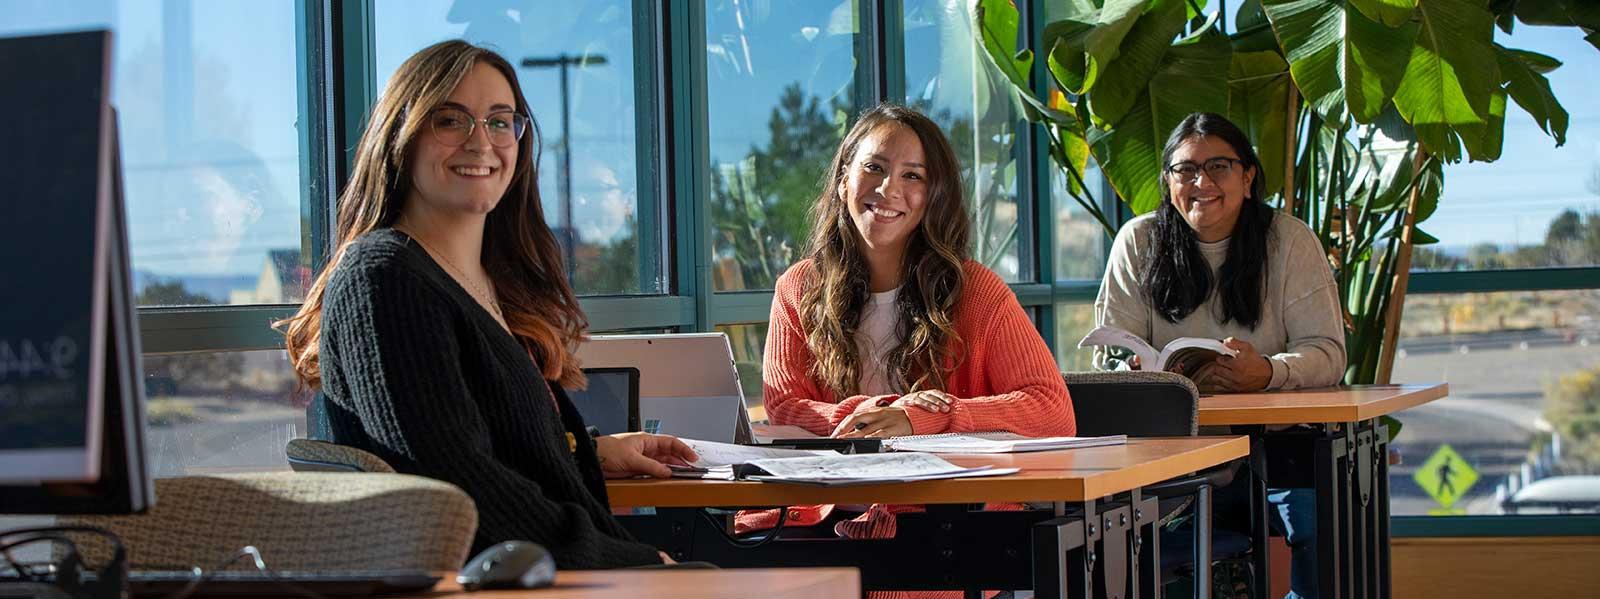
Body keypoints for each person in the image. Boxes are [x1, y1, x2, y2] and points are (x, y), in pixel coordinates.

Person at [278, 40, 696, 570]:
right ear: (401, 137)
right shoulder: (385, 279)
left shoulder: (484, 280)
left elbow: (476, 431)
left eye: (501, 122)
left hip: (546, 565)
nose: (482, 142)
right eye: (451, 120)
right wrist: (630, 562)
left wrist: (584, 449)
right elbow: (456, 483)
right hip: (514, 576)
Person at [749, 104, 1076, 580]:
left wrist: (923, 418)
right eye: (874, 168)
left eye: (913, 176)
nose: (888, 190)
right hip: (822, 521)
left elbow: (1052, 409)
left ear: (933, 196)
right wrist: (880, 414)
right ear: (844, 179)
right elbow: (784, 406)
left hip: (943, 532)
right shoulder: (798, 287)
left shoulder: (977, 291)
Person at [1091, 112, 1346, 598]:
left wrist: (1267, 373)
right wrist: (1137, 372)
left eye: (1219, 167)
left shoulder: (1289, 241)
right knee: (1124, 537)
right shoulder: (1138, 241)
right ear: (1167, 183)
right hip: (1174, 453)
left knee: (1324, 534)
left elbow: (1328, 353)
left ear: (1248, 178)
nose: (1201, 182)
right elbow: (1110, 351)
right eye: (1185, 170)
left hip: (1281, 444)